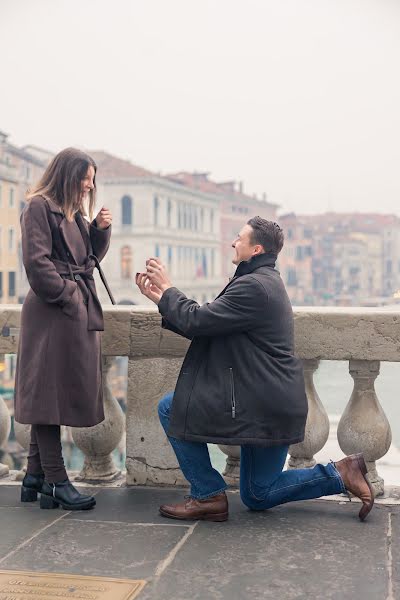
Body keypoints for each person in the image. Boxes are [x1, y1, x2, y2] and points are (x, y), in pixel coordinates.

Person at [136, 216, 374, 522]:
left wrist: (168, 288)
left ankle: (208, 495)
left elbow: (198, 320)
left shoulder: (255, 286)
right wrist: (162, 299)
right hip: (268, 400)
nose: (233, 242)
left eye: (239, 238)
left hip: (260, 404)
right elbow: (207, 325)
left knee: (171, 408)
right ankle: (343, 474)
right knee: (258, 494)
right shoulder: (260, 281)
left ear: (256, 248)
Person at [15, 148, 114, 511]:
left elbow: (87, 259)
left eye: (92, 179)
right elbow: (36, 263)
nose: (90, 186)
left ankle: (34, 477)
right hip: (52, 312)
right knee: (48, 397)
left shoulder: (72, 214)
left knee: (51, 390)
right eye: (85, 178)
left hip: (70, 311)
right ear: (66, 175)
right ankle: (56, 481)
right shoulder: (38, 207)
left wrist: (100, 231)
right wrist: (68, 295)